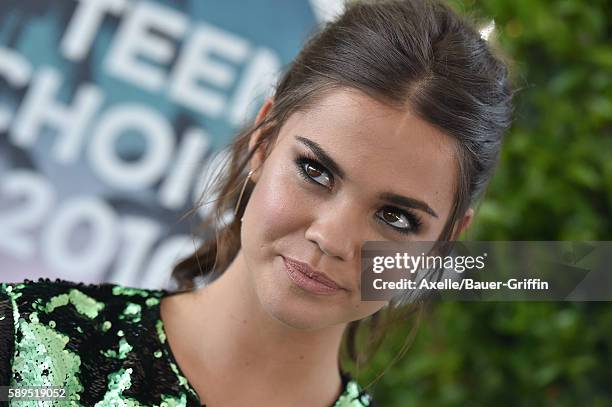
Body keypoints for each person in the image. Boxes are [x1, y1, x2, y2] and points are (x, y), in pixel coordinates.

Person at [0, 0, 513, 405]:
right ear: (261, 144)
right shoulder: (26, 343)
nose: (331, 238)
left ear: (447, 239)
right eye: (316, 172)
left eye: (396, 217)